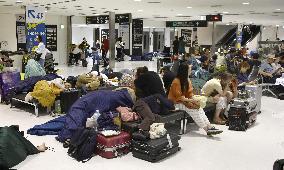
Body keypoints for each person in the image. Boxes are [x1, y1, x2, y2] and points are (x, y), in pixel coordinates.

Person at [168, 63, 223, 136]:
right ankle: (207, 129)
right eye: (189, 69)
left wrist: (194, 99)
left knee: (199, 107)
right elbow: (179, 97)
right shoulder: (176, 81)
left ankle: (210, 127)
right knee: (193, 109)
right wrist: (191, 100)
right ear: (185, 70)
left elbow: (190, 94)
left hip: (184, 101)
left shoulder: (187, 80)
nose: (191, 70)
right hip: (175, 103)